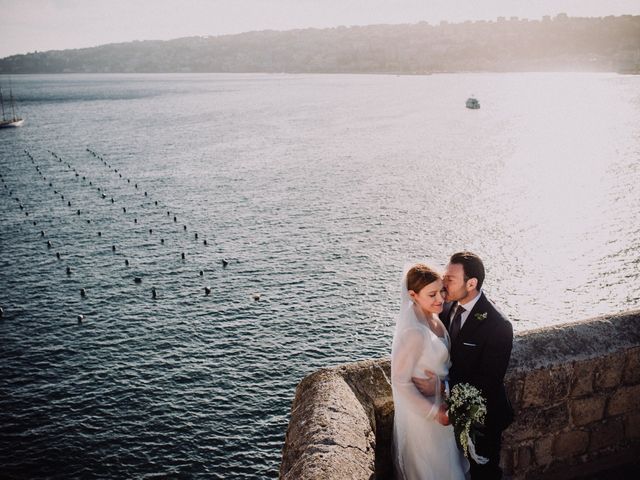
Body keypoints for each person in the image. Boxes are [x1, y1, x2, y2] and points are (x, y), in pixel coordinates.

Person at [413, 252, 514, 480]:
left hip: (483, 419)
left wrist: (442, 388)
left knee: (483, 474)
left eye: (450, 279)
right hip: (449, 418)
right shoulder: (446, 307)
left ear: (471, 284)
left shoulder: (498, 325)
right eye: (444, 275)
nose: (443, 282)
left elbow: (489, 381)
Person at [391, 263, 469, 480]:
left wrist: (441, 388)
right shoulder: (414, 332)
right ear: (413, 295)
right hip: (424, 418)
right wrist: (434, 412)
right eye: (432, 294)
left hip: (441, 406)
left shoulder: (434, 317)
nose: (440, 299)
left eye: (441, 291)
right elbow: (400, 382)